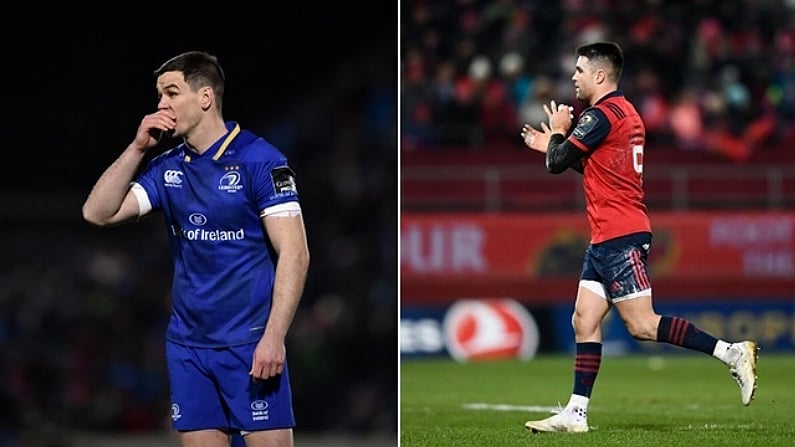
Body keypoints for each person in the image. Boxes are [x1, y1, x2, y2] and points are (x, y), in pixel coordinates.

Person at [519, 42, 758, 433]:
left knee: (643, 326)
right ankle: (576, 413)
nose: (573, 77)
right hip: (607, 235)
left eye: (579, 70)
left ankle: (731, 353)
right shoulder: (625, 113)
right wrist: (556, 148)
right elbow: (597, 170)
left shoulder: (598, 116)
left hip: (619, 234)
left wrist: (557, 136)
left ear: (599, 75)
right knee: (584, 319)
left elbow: (556, 165)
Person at [82, 50, 310, 447]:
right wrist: (138, 149)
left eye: (171, 93)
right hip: (188, 347)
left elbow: (296, 253)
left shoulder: (263, 162)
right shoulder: (167, 167)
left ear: (205, 97)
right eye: (159, 95)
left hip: (250, 343)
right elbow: (97, 213)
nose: (161, 105)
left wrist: (274, 337)